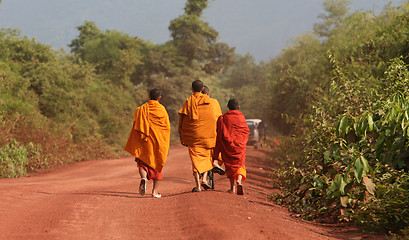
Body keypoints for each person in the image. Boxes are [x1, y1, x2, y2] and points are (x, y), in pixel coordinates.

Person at [124, 88, 171, 198]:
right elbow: (166, 127)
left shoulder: (141, 109)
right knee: (157, 163)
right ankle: (154, 192)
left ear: (149, 96)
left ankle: (143, 178)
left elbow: (136, 125)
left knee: (143, 162)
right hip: (158, 141)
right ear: (159, 98)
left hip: (145, 140)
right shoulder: (162, 110)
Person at [178, 80, 222, 192]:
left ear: (192, 89)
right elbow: (218, 118)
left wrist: (182, 135)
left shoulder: (188, 102)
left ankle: (198, 186)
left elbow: (182, 121)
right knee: (207, 158)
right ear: (203, 89)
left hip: (194, 138)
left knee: (196, 161)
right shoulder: (213, 102)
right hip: (209, 136)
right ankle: (205, 179)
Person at [213, 99, 250, 195]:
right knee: (240, 164)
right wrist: (241, 141)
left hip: (227, 145)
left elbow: (219, 134)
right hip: (239, 145)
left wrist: (216, 153)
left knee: (229, 166)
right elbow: (246, 131)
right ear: (238, 107)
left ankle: (232, 187)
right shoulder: (241, 117)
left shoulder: (222, 118)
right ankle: (239, 181)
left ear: (227, 106)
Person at [201, 85, 225, 175]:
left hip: (201, 133)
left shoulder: (195, 103)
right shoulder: (214, 102)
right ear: (208, 93)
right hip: (214, 132)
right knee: (217, 147)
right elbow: (219, 117)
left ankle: (203, 175)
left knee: (202, 155)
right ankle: (216, 162)